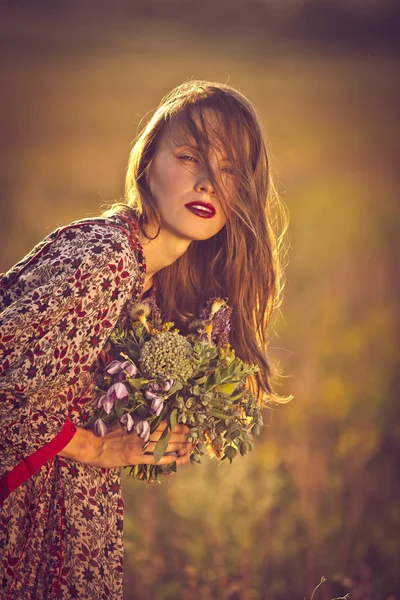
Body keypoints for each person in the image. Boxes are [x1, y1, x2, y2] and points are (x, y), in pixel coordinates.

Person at [0, 80, 288, 599]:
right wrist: (99, 449)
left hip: (62, 518)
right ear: (148, 160)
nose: (207, 183)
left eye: (227, 170)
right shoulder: (107, 261)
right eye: (189, 157)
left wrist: (150, 433)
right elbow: (9, 394)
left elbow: (68, 391)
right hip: (20, 518)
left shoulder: (155, 278)